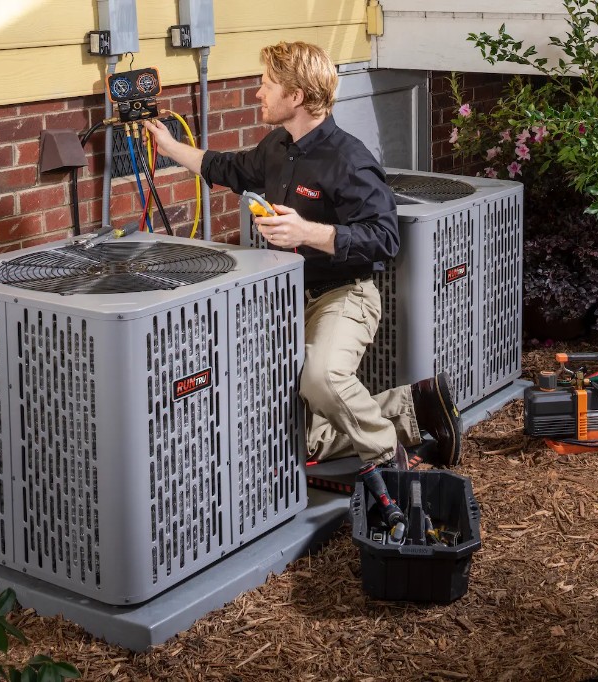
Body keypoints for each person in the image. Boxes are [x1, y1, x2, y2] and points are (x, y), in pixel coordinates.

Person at [143, 41, 461, 535]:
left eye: (266, 83)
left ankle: (391, 462)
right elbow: (227, 168)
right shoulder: (276, 148)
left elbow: (386, 238)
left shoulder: (350, 159)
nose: (257, 92)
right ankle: (410, 410)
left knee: (321, 377)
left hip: (346, 295)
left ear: (296, 95)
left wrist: (309, 232)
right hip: (291, 302)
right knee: (304, 440)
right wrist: (169, 148)